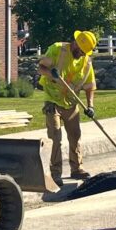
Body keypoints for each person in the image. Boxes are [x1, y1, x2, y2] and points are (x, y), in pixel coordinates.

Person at [37, 30, 98, 184]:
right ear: (76, 44)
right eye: (82, 51)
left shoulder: (86, 62)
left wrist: (90, 106)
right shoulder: (58, 49)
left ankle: (77, 169)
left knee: (75, 135)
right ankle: (55, 173)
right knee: (55, 136)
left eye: (86, 52)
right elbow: (41, 68)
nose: (83, 54)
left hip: (71, 102)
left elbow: (90, 86)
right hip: (52, 100)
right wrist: (52, 74)